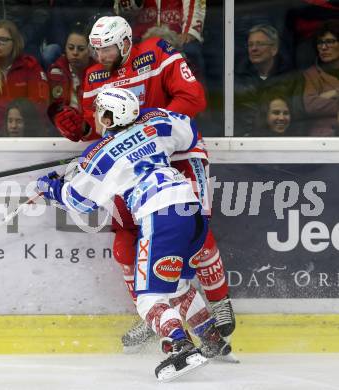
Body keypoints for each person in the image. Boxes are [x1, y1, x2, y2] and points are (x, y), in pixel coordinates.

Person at [52, 15, 235, 354]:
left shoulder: (156, 52)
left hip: (175, 151)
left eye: (107, 49)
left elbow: (192, 98)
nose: (101, 56)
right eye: (97, 50)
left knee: (193, 232)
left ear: (124, 43)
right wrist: (80, 130)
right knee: (126, 243)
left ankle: (218, 299)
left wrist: (147, 128)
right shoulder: (94, 76)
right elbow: (103, 129)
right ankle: (157, 312)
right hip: (132, 169)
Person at [37, 88, 231, 381]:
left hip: (159, 214)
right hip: (190, 208)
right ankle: (213, 340)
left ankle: (180, 346)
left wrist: (50, 186)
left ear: (110, 116)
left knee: (148, 299)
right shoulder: (157, 122)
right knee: (177, 286)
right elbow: (188, 130)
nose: (98, 117)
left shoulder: (99, 154)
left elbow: (79, 200)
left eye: (101, 112)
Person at [0, 19, 49, 137]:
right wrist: (16, 117)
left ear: (15, 42)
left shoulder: (30, 67)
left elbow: (39, 110)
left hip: (25, 139)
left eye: (2, 40)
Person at [234, 24, 302, 136]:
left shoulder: (291, 77)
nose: (254, 49)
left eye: (260, 44)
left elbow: (298, 115)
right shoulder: (237, 77)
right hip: (245, 141)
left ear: (274, 49)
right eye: (250, 45)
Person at [113, 0, 206, 79]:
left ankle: (192, 94)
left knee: (191, 52)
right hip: (140, 34)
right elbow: (123, 12)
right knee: (122, 57)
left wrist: (190, 31)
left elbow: (195, 5)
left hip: (176, 35)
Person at [47, 22, 95, 123]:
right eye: (71, 48)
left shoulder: (99, 73)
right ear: (65, 48)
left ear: (90, 50)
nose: (75, 53)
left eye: (81, 49)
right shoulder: (55, 72)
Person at [301, 20, 339, 136]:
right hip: (323, 138)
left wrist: (329, 95)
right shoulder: (311, 74)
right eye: (320, 42)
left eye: (330, 42)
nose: (323, 47)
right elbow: (311, 105)